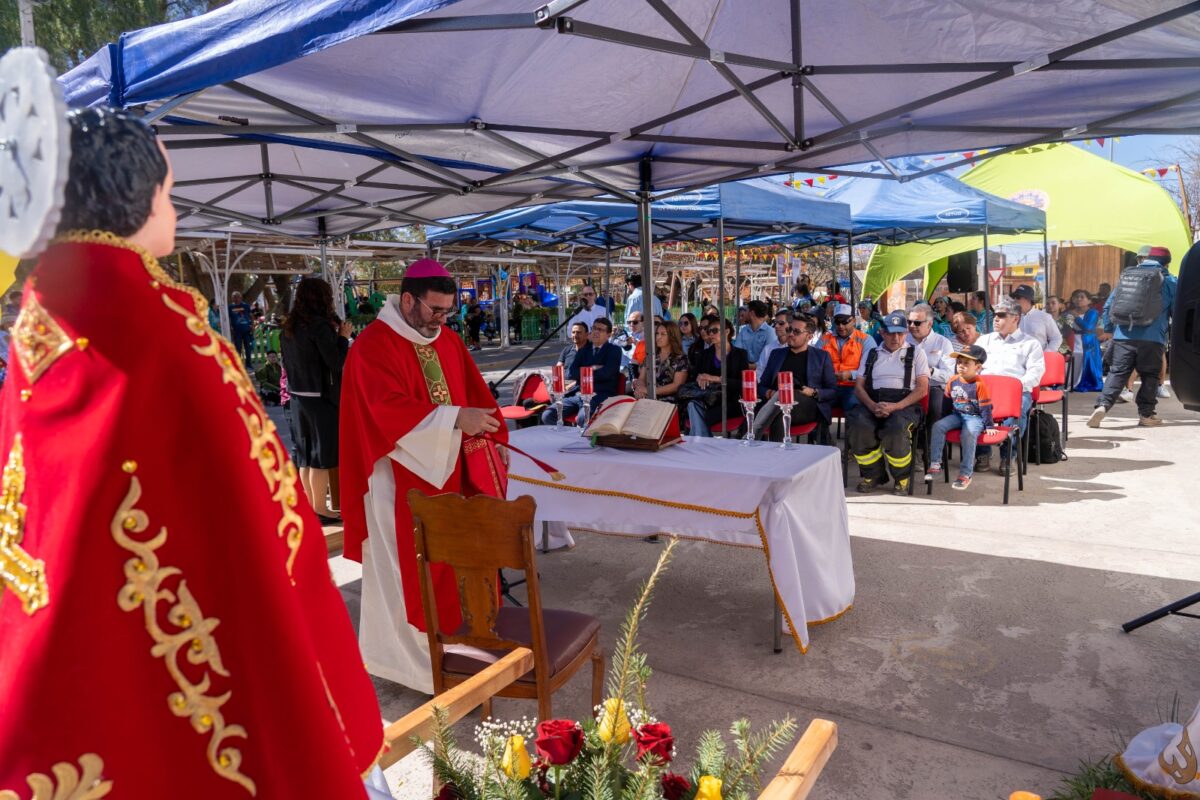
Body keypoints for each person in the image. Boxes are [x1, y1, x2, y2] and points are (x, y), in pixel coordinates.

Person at [0, 107, 384, 796]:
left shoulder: (44, 309)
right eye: (170, 193)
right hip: (184, 642)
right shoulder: (163, 322)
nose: (172, 210)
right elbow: (262, 502)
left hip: (62, 648)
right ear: (136, 195)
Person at [340, 258, 510, 694]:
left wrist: (490, 432)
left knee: (452, 564)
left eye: (448, 311)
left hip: (449, 475)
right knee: (406, 570)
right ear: (409, 299)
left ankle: (459, 645)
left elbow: (475, 395)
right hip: (396, 480)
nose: (442, 320)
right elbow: (384, 411)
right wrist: (456, 419)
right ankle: (416, 666)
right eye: (435, 310)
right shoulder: (373, 345)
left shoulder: (447, 340)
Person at [281, 278, 352, 524]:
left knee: (306, 456)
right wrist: (343, 337)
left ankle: (313, 507)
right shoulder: (320, 326)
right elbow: (335, 362)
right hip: (321, 399)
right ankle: (321, 509)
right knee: (321, 458)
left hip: (298, 398)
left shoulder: (289, 327)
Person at [1088, 246, 1177, 428]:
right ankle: (1146, 415)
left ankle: (1103, 406)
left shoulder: (1128, 276)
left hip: (1123, 336)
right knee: (1150, 375)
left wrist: (1110, 328)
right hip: (1153, 338)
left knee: (1118, 372)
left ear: (1146, 258)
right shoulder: (1169, 280)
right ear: (1166, 263)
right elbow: (1178, 310)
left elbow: (1109, 306)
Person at [847, 311, 929, 495]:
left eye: (900, 333)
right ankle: (873, 475)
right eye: (891, 333)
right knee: (858, 425)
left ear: (906, 333)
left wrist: (895, 407)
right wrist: (871, 406)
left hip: (905, 405)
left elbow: (922, 389)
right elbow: (859, 387)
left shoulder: (916, 353)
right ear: (882, 333)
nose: (896, 337)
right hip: (873, 402)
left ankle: (902, 478)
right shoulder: (871, 353)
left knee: (896, 429)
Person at [976, 297, 1045, 474]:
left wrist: (1014, 388)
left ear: (1015, 318)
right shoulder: (984, 341)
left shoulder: (1030, 343)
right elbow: (972, 366)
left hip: (1016, 391)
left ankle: (1008, 456)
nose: (995, 319)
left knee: (1019, 408)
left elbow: (1035, 373)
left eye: (1001, 315)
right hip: (986, 389)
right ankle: (982, 452)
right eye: (994, 315)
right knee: (971, 404)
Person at [756, 315, 837, 440]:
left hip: (806, 404)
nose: (791, 334)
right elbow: (761, 386)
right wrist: (769, 393)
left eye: (796, 331)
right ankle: (759, 452)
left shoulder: (821, 357)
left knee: (782, 407)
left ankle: (764, 446)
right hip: (776, 403)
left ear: (809, 337)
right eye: (789, 330)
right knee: (774, 410)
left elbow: (832, 391)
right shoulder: (776, 354)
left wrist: (813, 392)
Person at [927, 345, 994, 491]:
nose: (961, 366)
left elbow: (985, 407)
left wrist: (989, 426)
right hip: (957, 415)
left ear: (978, 367)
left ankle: (965, 474)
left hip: (975, 417)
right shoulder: (952, 380)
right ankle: (935, 464)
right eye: (959, 362)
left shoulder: (979, 384)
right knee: (938, 426)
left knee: (968, 433)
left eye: (966, 363)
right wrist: (944, 420)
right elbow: (946, 402)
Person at [686, 318, 750, 437]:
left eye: (714, 330)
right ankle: (703, 445)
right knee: (692, 405)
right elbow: (693, 378)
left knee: (701, 415)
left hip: (731, 401)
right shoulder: (704, 355)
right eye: (709, 331)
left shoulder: (740, 354)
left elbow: (743, 384)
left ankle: (701, 445)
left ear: (726, 332)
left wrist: (716, 379)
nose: (710, 334)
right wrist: (699, 378)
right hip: (709, 399)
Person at [906, 302, 955, 428]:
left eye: (917, 323)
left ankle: (931, 445)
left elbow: (949, 375)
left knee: (936, 407)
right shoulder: (902, 339)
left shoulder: (943, 343)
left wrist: (930, 371)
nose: (912, 326)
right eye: (909, 322)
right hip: (906, 386)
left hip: (933, 387)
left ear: (930, 323)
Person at [823, 303, 876, 412]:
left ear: (854, 321)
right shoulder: (824, 339)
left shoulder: (866, 340)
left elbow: (871, 369)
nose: (841, 326)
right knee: (814, 405)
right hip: (828, 386)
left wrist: (851, 375)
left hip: (854, 387)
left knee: (855, 407)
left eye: (845, 322)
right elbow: (814, 364)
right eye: (837, 322)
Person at [541, 321, 591, 424]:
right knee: (547, 415)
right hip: (568, 395)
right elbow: (558, 371)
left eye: (579, 332)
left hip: (586, 395)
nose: (575, 335)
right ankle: (564, 437)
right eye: (573, 332)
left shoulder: (593, 351)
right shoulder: (567, 350)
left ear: (587, 334)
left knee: (583, 419)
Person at [633, 319, 688, 400]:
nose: (658, 337)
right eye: (657, 333)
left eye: (663, 334)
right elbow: (641, 378)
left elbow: (676, 385)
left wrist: (650, 391)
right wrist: (640, 389)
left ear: (672, 336)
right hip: (647, 397)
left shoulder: (681, 359)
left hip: (669, 401)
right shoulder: (650, 356)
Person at [1068, 289, 1104, 391]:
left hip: (1087, 343)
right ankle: (1069, 381)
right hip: (1073, 341)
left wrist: (1076, 317)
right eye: (1076, 297)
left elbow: (1088, 328)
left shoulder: (1093, 312)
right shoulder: (1069, 313)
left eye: (1082, 297)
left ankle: (1083, 382)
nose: (1079, 299)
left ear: (1089, 301)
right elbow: (1065, 327)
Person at [1011, 284, 1063, 352]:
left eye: (1017, 297)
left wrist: (1047, 353)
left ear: (1028, 299)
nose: (1015, 300)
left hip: (1039, 358)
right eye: (1014, 297)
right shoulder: (1011, 317)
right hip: (1018, 358)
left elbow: (1056, 338)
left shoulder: (1044, 317)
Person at [734, 300, 779, 369]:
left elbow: (769, 359)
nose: (744, 314)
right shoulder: (744, 330)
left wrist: (747, 366)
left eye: (746, 311)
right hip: (744, 371)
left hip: (763, 374)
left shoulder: (770, 332)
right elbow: (736, 352)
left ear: (751, 313)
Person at [228, 290, 255, 364]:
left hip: (246, 330)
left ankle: (249, 365)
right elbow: (228, 318)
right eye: (234, 297)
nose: (236, 298)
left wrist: (252, 325)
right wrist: (230, 327)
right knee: (238, 349)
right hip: (237, 332)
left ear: (240, 297)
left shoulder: (245, 306)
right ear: (232, 298)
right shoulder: (230, 307)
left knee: (248, 349)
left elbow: (251, 316)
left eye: (237, 297)